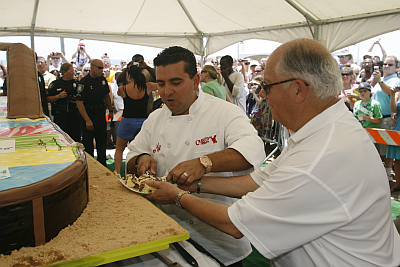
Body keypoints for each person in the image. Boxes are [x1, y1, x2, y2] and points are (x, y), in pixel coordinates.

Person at [144, 39, 400, 267]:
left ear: (298, 89)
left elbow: (234, 224)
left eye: (268, 85)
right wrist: (193, 184)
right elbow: (258, 181)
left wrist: (177, 195)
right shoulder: (324, 130)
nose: (263, 95)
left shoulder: (320, 155)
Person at [125, 46, 265, 267]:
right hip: (170, 236)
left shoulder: (223, 112)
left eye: (176, 82)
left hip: (220, 238)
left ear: (195, 80)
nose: (166, 91)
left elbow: (253, 149)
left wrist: (205, 162)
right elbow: (132, 155)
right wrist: (142, 158)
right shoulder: (155, 118)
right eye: (161, 84)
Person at [113, 65, 157, 177]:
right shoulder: (148, 86)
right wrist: (147, 67)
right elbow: (161, 83)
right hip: (143, 121)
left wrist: (126, 70)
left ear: (129, 75)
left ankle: (117, 173)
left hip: (127, 121)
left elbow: (118, 83)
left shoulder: (123, 89)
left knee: (119, 149)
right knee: (143, 150)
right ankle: (143, 173)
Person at [76, 59, 113, 166]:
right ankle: (90, 167)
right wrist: (87, 120)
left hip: (100, 115)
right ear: (92, 67)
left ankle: (103, 166)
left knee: (102, 143)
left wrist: (110, 110)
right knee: (88, 146)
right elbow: (79, 103)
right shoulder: (84, 82)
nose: (102, 70)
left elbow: (107, 95)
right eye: (99, 68)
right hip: (88, 115)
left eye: (102, 68)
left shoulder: (102, 80)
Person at [371, 56, 400, 180]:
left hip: (387, 118)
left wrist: (380, 81)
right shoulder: (381, 79)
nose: (386, 66)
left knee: (387, 150)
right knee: (377, 150)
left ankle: (387, 176)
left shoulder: (395, 80)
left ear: (396, 67)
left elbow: (390, 92)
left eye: (390, 64)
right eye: (385, 64)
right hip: (376, 118)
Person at [46, 63, 81, 142]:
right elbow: (47, 99)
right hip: (60, 116)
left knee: (76, 139)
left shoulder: (77, 84)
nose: (73, 73)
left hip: (74, 116)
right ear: (64, 72)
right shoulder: (55, 84)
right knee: (62, 140)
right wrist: (58, 96)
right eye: (71, 71)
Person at [387, 85, 400, 192]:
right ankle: (398, 184)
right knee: (397, 159)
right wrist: (392, 94)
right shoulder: (398, 92)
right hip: (397, 125)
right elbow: (393, 108)